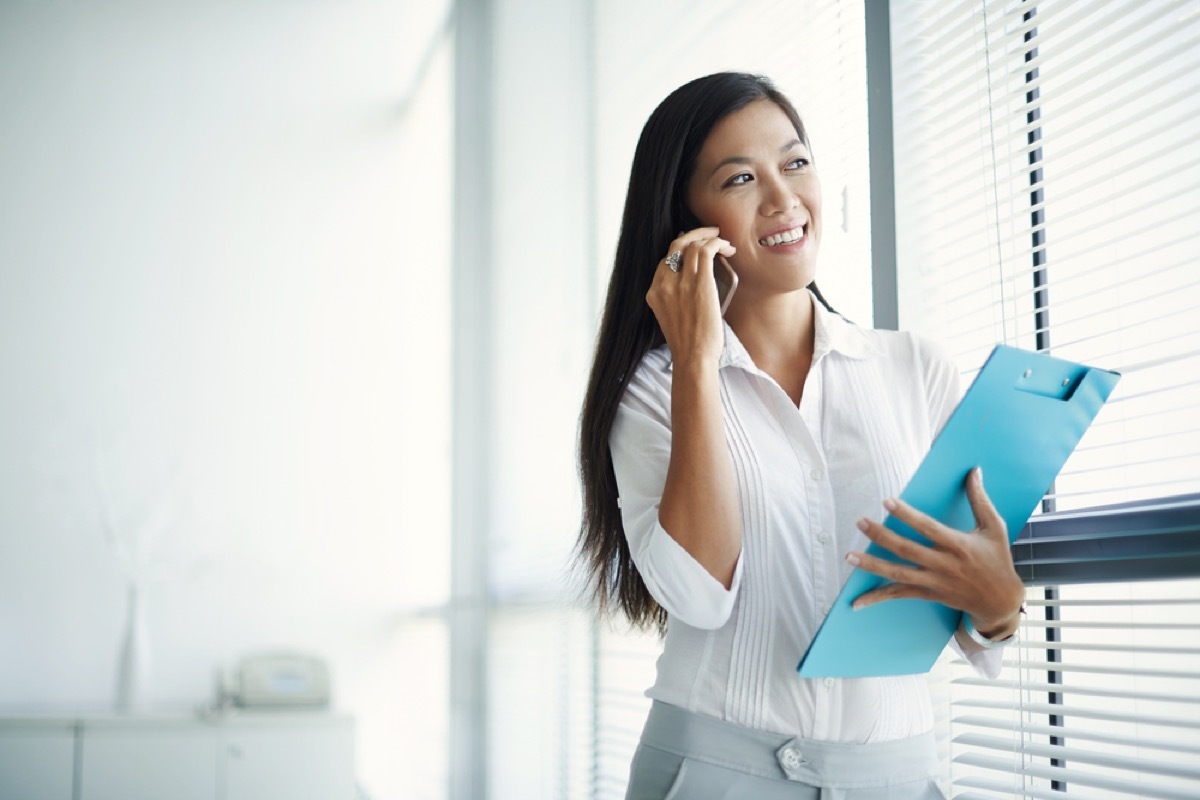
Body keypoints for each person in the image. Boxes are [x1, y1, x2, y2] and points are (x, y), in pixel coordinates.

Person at [576, 72, 1026, 799]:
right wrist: (697, 362)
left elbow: (971, 589)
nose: (783, 199)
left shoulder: (914, 367)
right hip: (715, 772)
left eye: (796, 163)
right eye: (740, 178)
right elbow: (698, 594)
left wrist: (1001, 607)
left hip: (897, 774)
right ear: (686, 221)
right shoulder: (656, 390)